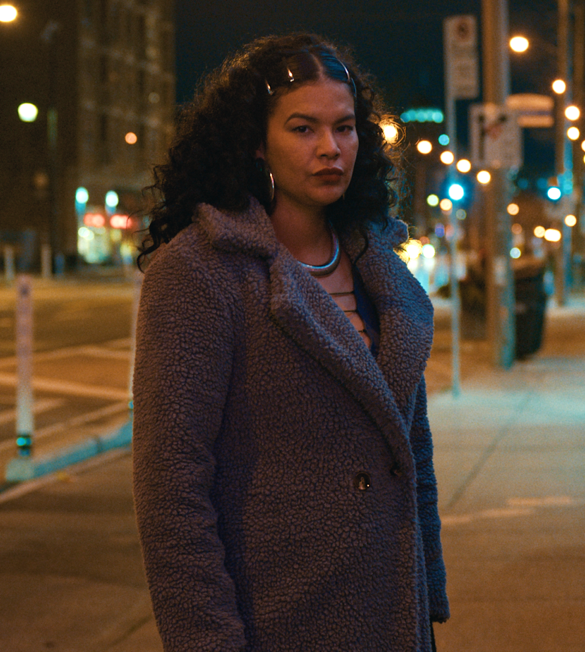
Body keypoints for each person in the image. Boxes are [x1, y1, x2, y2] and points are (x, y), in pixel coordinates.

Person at [131, 34, 447, 651]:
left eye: (346, 128)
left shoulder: (377, 261)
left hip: (393, 610)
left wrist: (427, 587)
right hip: (279, 615)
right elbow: (171, 488)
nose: (331, 148)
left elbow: (412, 446)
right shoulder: (201, 270)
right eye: (303, 129)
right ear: (257, 141)